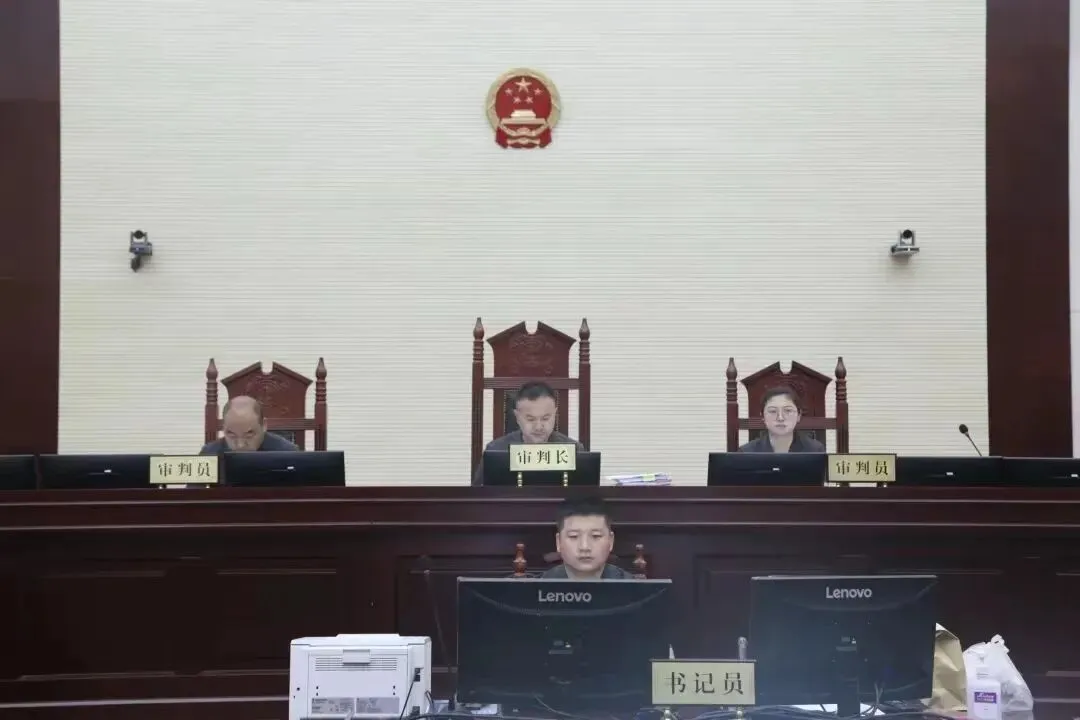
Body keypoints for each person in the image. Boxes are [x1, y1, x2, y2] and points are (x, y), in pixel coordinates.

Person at [472, 381, 585, 485]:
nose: (538, 427)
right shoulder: (496, 450)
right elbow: (478, 495)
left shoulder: (574, 451)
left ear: (555, 414)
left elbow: (585, 495)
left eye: (545, 418)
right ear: (517, 417)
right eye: (530, 419)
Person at [542, 496, 635, 579]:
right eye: (574, 536)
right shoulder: (539, 586)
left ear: (611, 541)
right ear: (558, 542)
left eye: (596, 536)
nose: (585, 547)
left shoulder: (633, 588)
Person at [738, 385, 825, 453]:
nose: (780, 418)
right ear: (763, 417)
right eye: (773, 411)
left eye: (788, 410)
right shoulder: (746, 452)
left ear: (799, 415)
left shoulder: (815, 450)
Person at [199, 396, 300, 454]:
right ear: (223, 427)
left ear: (264, 425)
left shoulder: (287, 453)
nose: (240, 445)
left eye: (249, 434)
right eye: (231, 434)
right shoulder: (210, 453)